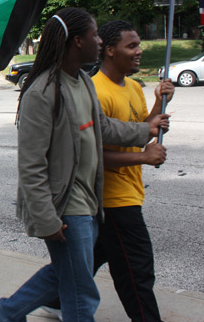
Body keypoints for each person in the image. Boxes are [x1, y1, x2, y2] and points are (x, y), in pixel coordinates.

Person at [0, 8, 169, 322]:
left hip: (88, 202)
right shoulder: (41, 93)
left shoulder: (81, 81)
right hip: (65, 208)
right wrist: (47, 220)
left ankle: (8, 312)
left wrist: (145, 129)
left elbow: (103, 127)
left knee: (71, 279)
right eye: (95, 35)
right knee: (81, 292)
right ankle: (7, 312)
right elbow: (31, 166)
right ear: (77, 41)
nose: (99, 41)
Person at [92, 20, 174, 322]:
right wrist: (143, 159)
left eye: (139, 44)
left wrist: (159, 103)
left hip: (130, 191)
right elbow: (95, 156)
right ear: (110, 50)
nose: (139, 51)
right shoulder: (97, 92)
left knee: (90, 257)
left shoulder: (134, 87)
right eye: (132, 46)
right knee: (136, 269)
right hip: (113, 197)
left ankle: (55, 299)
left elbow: (144, 131)